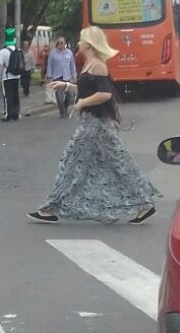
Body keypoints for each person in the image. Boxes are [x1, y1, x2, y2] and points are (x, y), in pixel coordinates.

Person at [27, 26, 162, 225]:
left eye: (81, 41)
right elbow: (87, 89)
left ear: (88, 44)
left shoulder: (98, 65)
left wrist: (82, 103)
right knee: (112, 165)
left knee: (75, 164)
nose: (78, 44)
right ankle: (142, 204)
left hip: (96, 126)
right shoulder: (89, 64)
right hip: (93, 124)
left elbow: (105, 94)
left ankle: (50, 208)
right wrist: (66, 86)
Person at [46, 37, 78, 119]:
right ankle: (63, 113)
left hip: (67, 77)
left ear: (64, 43)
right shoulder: (53, 53)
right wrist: (49, 77)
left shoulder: (69, 53)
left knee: (69, 95)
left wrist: (74, 76)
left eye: (62, 43)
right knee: (59, 97)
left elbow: (72, 65)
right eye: (59, 43)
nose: (60, 44)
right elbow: (49, 65)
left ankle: (65, 108)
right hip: (57, 77)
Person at [0, 28, 21, 122]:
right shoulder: (18, 50)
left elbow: (0, 66)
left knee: (7, 96)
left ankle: (8, 114)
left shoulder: (3, 51)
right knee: (15, 95)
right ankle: (16, 114)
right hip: (17, 76)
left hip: (7, 77)